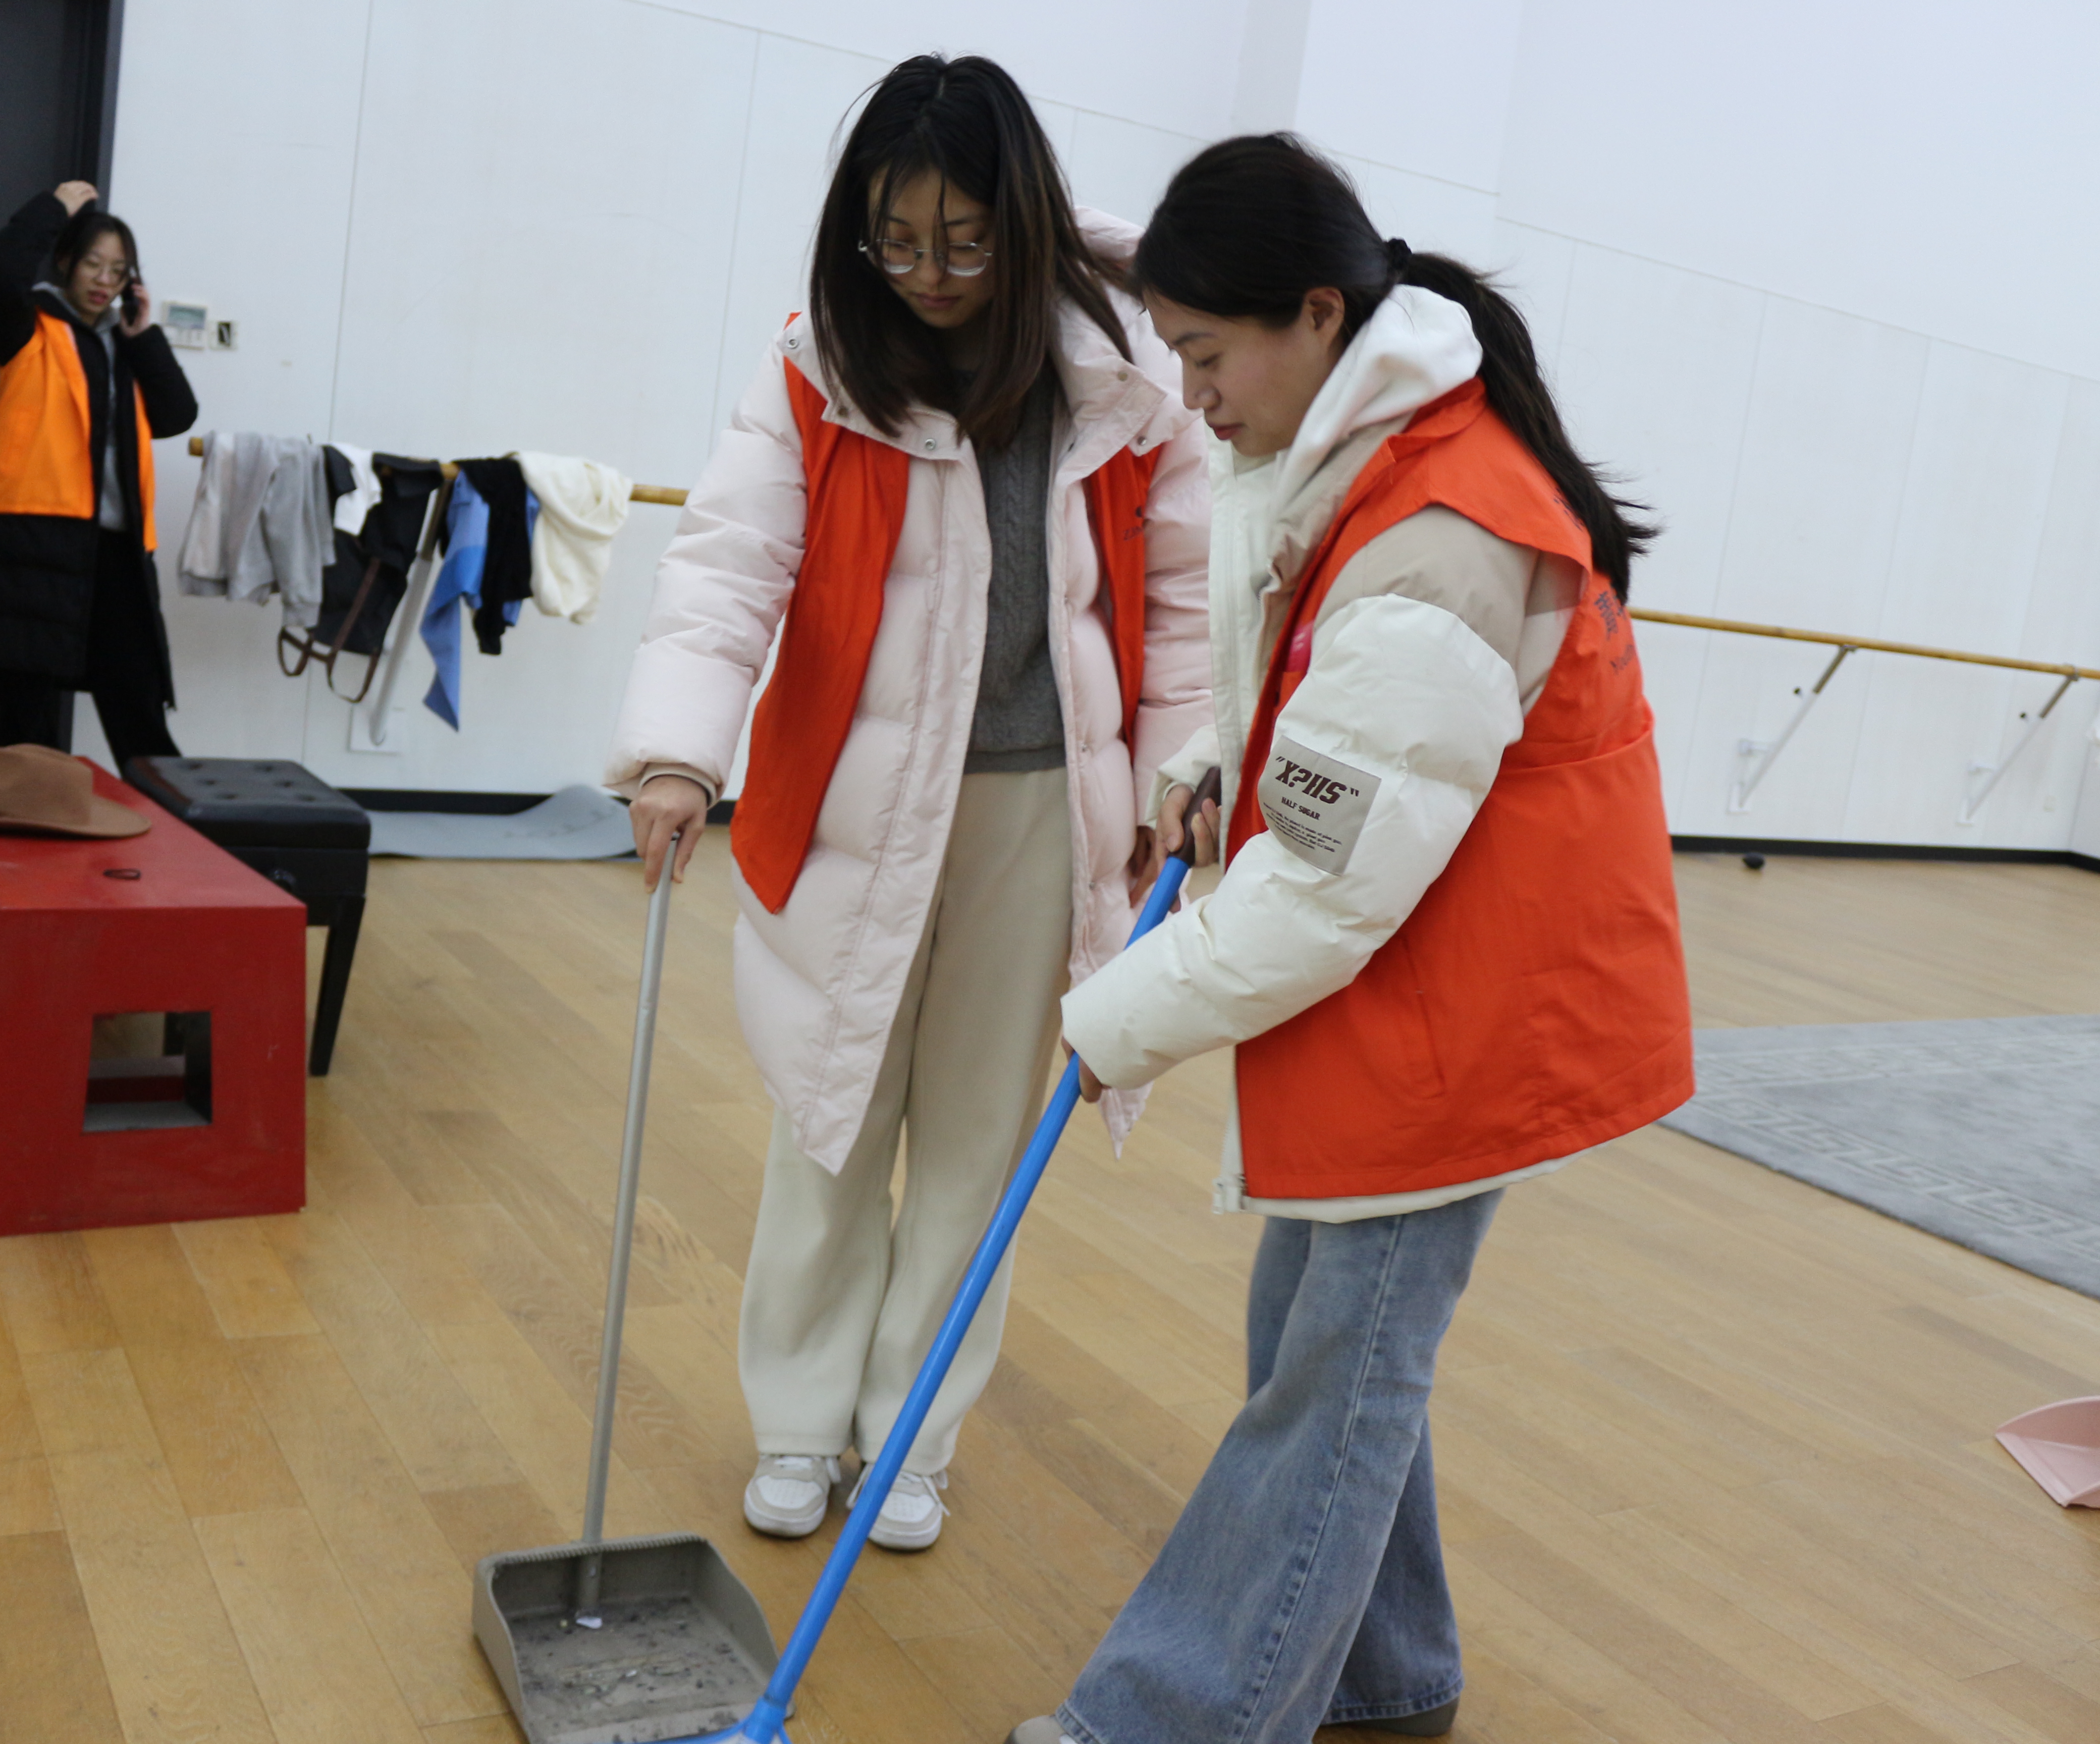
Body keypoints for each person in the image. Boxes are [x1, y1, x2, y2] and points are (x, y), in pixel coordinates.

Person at [1014, 135, 1693, 1744]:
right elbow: (1334, 697)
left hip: (1470, 1001)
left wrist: (1114, 1016)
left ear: (1319, 313)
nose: (1192, 398)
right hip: (1432, 959)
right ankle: (1389, 1677)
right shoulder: (1378, 445)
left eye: (1205, 354)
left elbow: (1325, 891)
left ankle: (1167, 1721)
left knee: (1338, 1366)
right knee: (1320, 1335)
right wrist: (1216, 758)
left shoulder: (1438, 536)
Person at [607, 55, 1210, 1553]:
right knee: (830, 1113)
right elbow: (729, 563)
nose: (929, 274)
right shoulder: (819, 364)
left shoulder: (1124, 375)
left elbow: (1188, 598)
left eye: (964, 242)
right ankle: (798, 1423)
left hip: (1040, 806)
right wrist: (678, 751)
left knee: (973, 1147)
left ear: (1023, 225)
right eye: (896, 241)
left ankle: (910, 1436)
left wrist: (1185, 774)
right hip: (853, 801)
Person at [0, 181, 197, 770]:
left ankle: (168, 816)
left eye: (118, 271)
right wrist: (55, 208)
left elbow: (176, 416)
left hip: (118, 548)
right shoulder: (28, 330)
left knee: (137, 696)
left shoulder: (125, 344)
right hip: (37, 540)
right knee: (28, 710)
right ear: (66, 261)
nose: (103, 281)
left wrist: (145, 339)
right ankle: (23, 818)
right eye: (93, 263)